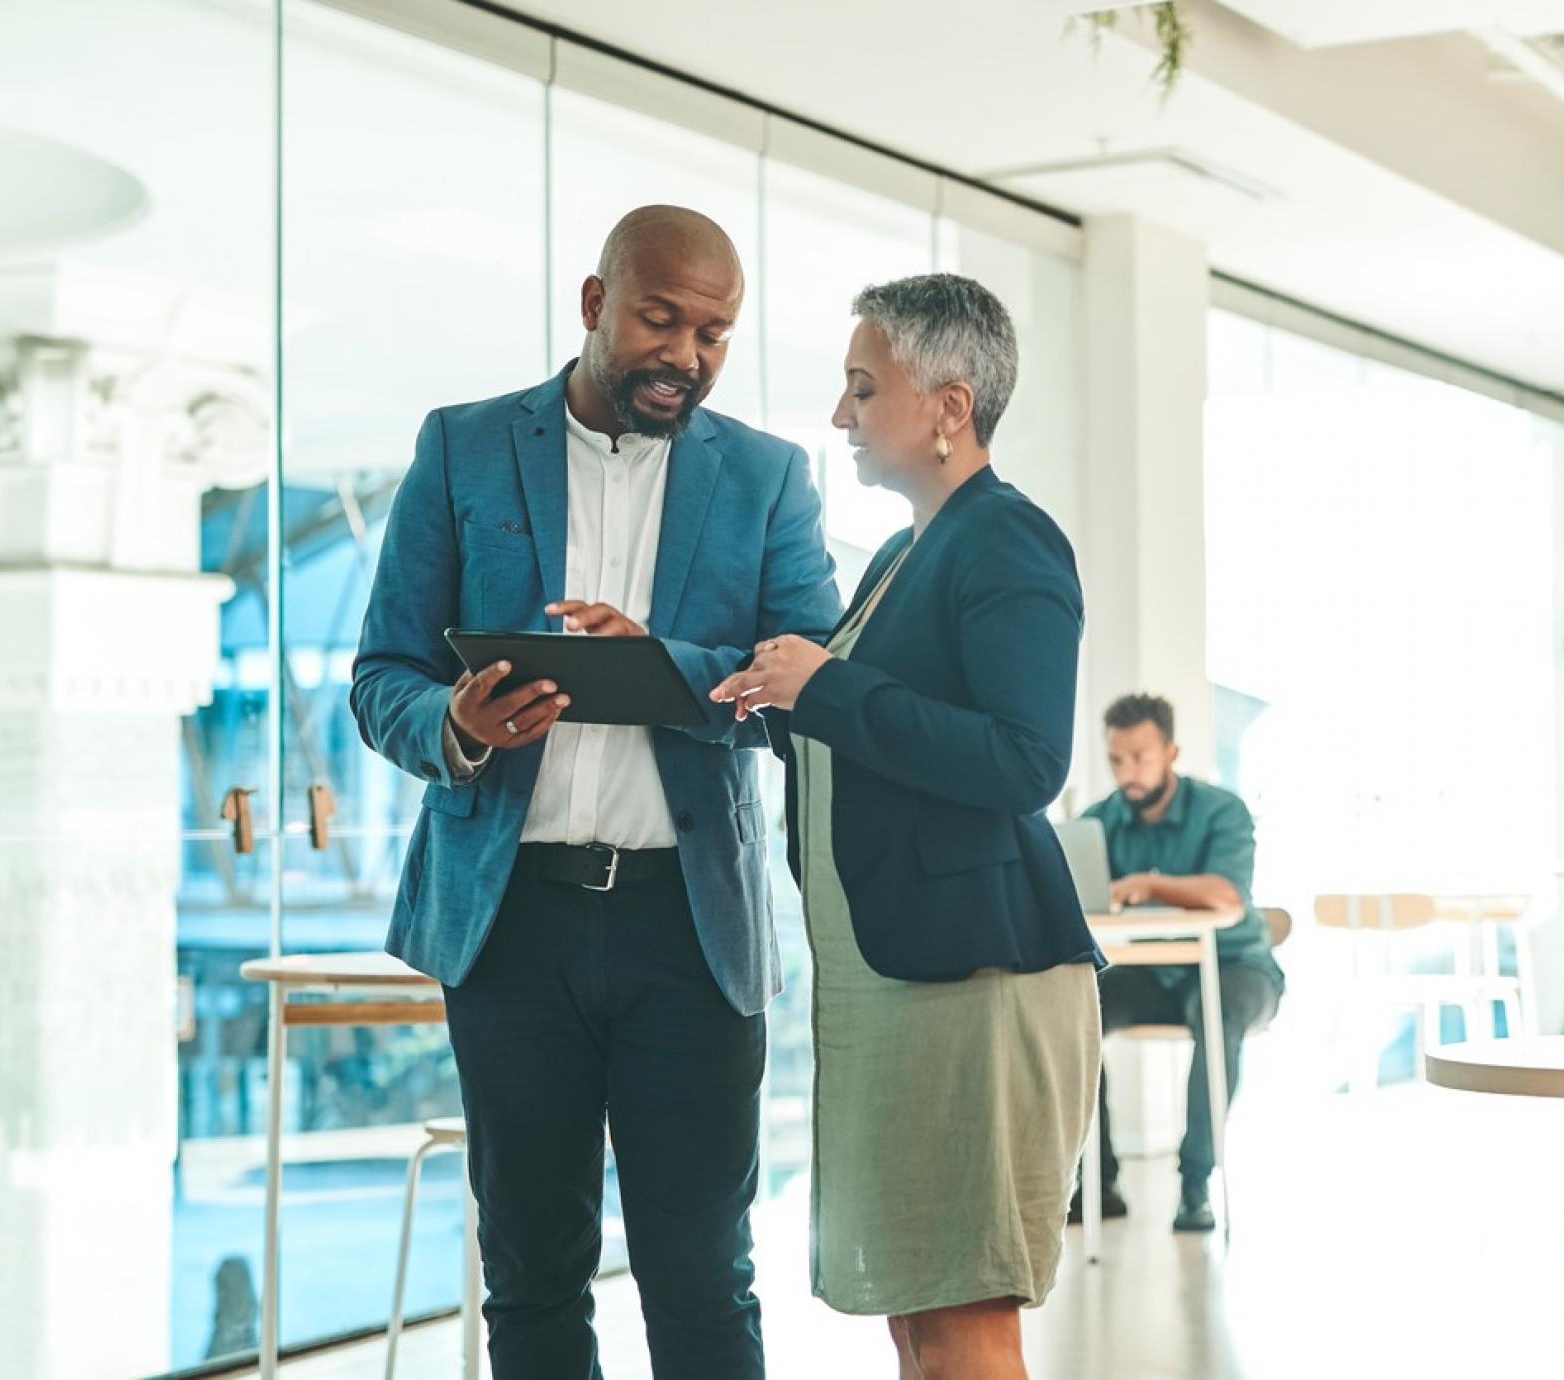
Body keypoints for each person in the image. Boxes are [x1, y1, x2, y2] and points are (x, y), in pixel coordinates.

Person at [350, 205, 841, 1380]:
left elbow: (811, 685)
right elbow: (382, 677)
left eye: (714, 333)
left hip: (693, 927)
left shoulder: (769, 479)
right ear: (593, 304)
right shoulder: (464, 448)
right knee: (528, 1276)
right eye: (661, 319)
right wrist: (456, 728)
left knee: (702, 1278)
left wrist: (659, 664)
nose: (686, 355)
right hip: (513, 922)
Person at [709, 274, 1100, 1380]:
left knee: (962, 1313)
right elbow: (865, 738)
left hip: (975, 983)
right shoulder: (898, 556)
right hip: (902, 979)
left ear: (948, 406)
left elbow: (1024, 762)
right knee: (920, 1320)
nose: (839, 415)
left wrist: (823, 690)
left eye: (861, 387)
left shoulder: (1007, 543)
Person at [1076, 693, 1286, 1233]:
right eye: (1117, 759)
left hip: (1238, 968)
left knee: (1217, 1017)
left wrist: (1148, 884)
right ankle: (1097, 1183)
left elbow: (1227, 896)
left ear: (1171, 752)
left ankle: (1195, 1184)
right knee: (1078, 1011)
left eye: (1141, 757)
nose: (1129, 772)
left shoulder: (1223, 811)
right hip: (1152, 972)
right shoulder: (1097, 823)